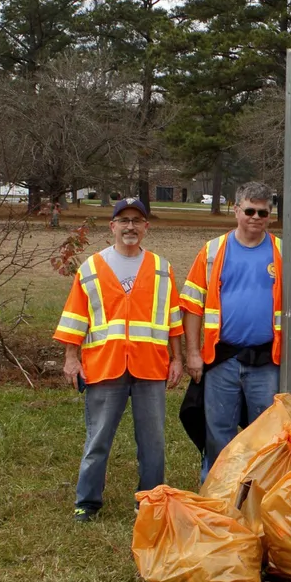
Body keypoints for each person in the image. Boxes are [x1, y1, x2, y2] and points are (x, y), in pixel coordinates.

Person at [180, 181, 291, 479]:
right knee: (218, 430)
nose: (256, 218)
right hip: (221, 360)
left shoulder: (283, 253)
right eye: (249, 211)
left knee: (267, 432)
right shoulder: (212, 252)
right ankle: (217, 488)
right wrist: (192, 353)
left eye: (263, 212)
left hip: (267, 361)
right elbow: (192, 306)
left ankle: (260, 489)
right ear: (236, 210)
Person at [53, 197, 184, 521]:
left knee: (153, 442)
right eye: (123, 220)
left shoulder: (161, 269)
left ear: (146, 227)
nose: (130, 226)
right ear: (112, 226)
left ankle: (150, 500)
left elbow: (173, 320)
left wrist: (177, 358)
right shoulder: (91, 267)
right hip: (105, 366)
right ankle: (87, 502)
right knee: (97, 439)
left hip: (150, 366)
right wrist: (71, 359)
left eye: (136, 221)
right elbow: (75, 317)